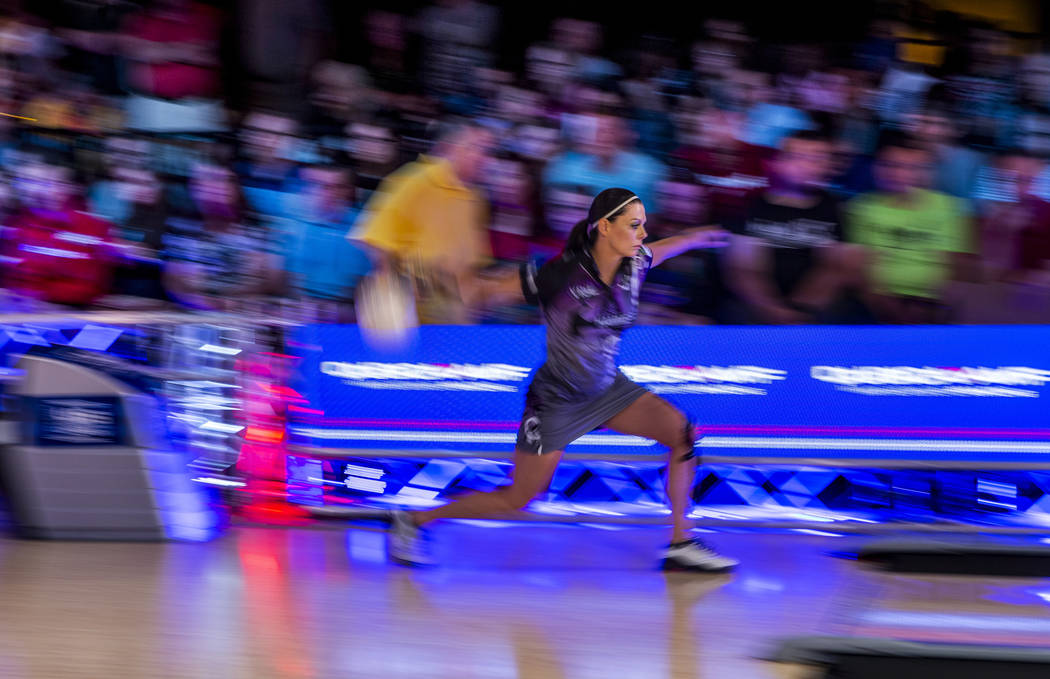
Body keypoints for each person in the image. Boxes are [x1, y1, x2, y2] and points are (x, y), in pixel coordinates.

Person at [387, 187, 738, 572]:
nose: (642, 234)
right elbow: (483, 291)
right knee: (520, 497)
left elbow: (672, 245)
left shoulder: (637, 263)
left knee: (681, 432)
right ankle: (414, 520)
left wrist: (701, 236)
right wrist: (431, 281)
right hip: (556, 401)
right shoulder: (559, 274)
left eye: (644, 226)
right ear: (605, 227)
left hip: (608, 389)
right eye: (634, 225)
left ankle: (680, 543)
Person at [349, 119, 496, 325]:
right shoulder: (415, 181)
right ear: (450, 148)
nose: (485, 158)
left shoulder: (477, 198)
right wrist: (398, 298)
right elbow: (375, 240)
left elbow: (470, 264)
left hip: (449, 312)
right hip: (404, 312)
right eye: (477, 148)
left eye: (489, 151)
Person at [725, 131, 867, 324]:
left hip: (817, 308)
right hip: (757, 306)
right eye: (799, 158)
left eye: (818, 159)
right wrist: (771, 309)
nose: (809, 166)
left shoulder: (837, 209)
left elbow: (836, 268)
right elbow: (743, 268)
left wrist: (799, 310)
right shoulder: (752, 205)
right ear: (779, 162)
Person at [847, 134, 974, 324]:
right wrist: (895, 312)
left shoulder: (948, 207)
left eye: (912, 168)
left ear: (926, 172)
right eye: (891, 165)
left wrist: (929, 306)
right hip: (877, 299)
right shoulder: (861, 208)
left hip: (933, 300)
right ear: (877, 168)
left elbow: (956, 266)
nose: (900, 174)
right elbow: (861, 271)